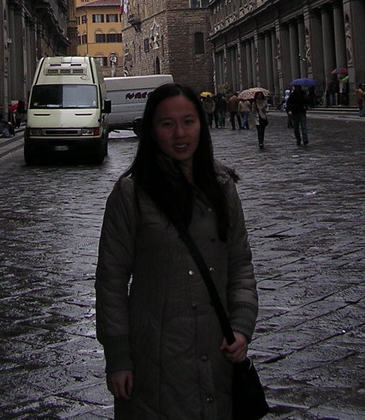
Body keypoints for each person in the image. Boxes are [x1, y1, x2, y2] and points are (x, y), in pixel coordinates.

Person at [95, 83, 259, 418]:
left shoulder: (223, 187)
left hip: (217, 355)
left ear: (202, 123)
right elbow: (110, 281)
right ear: (152, 131)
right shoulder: (130, 194)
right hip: (154, 360)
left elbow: (240, 265)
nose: (180, 134)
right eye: (167, 124)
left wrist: (242, 326)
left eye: (189, 121)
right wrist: (119, 356)